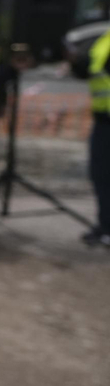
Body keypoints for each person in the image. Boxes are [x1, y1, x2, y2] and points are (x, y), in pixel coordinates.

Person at [69, 26, 110, 247]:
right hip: (104, 119)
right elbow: (92, 70)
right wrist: (77, 61)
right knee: (101, 175)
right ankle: (106, 225)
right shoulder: (104, 38)